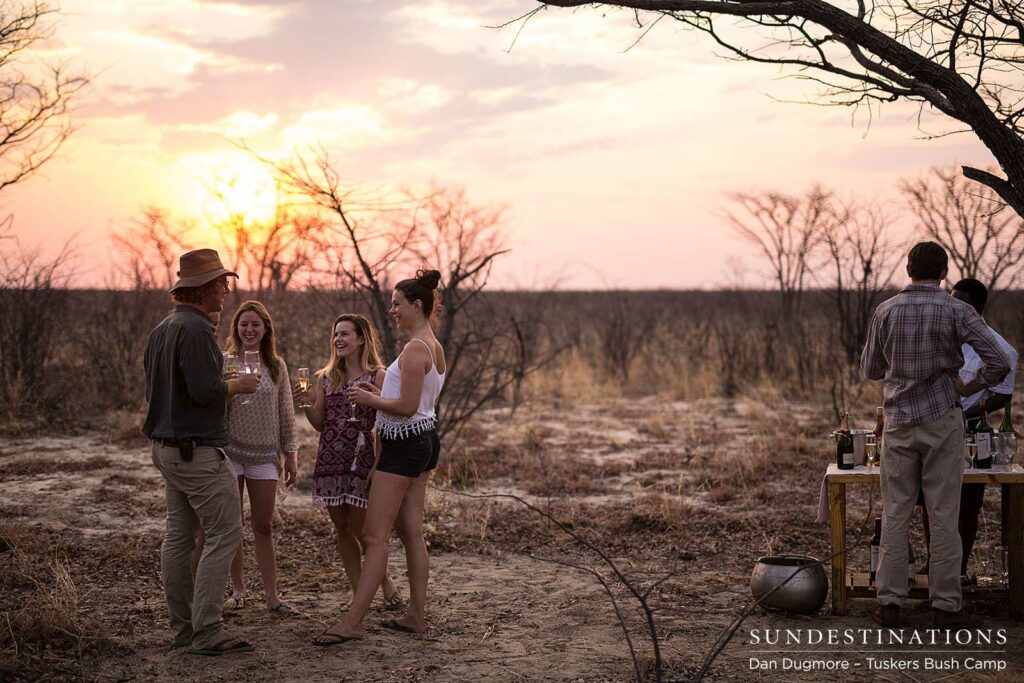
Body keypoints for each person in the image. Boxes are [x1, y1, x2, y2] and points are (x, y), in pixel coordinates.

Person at [862, 242, 1010, 629]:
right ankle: (945, 605)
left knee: (895, 512)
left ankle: (890, 603)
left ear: (908, 268)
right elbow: (999, 359)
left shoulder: (886, 310)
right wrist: (968, 385)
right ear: (943, 272)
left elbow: (871, 370)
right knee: (944, 513)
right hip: (943, 418)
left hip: (898, 421)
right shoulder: (958, 310)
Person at [313, 269, 446, 645]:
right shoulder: (434, 347)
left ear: (416, 305)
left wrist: (372, 398)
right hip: (425, 440)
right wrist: (381, 391)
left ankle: (353, 621)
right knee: (411, 532)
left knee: (373, 536)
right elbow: (419, 402)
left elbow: (405, 406)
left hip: (404, 445)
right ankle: (415, 616)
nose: (392, 311)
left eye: (396, 304)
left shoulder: (416, 348)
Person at [143, 248, 259, 656]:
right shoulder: (195, 331)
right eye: (222, 284)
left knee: (178, 537)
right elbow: (204, 391)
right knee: (224, 533)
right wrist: (235, 386)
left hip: (167, 448)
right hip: (196, 452)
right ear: (205, 288)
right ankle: (207, 631)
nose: (226, 291)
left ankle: (184, 630)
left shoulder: (164, 328)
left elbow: (169, 389)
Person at [196, 300, 299, 614]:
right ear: (236, 329)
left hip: (264, 453)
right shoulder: (226, 361)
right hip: (231, 450)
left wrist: (290, 453)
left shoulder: (275, 365)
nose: (250, 329)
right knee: (232, 523)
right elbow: (215, 406)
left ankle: (272, 597)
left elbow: (286, 412)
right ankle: (238, 588)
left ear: (266, 328)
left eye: (255, 324)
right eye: (244, 325)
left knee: (263, 525)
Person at [293, 313, 402, 609]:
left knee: (361, 529)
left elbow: (387, 424)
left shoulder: (378, 376)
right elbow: (320, 422)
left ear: (361, 339)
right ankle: (359, 596)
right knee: (341, 528)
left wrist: (378, 465)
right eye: (335, 335)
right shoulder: (327, 377)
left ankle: (384, 581)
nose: (338, 340)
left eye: (345, 334)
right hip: (330, 456)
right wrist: (304, 404)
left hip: (361, 455)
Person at [918, 278, 1018, 581]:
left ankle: (958, 571)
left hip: (975, 429)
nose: (956, 307)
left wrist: (965, 413)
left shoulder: (1000, 348)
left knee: (967, 501)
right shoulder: (942, 337)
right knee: (930, 497)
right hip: (933, 422)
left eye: (963, 303)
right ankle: (934, 564)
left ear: (979, 308)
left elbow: (1002, 395)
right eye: (953, 300)